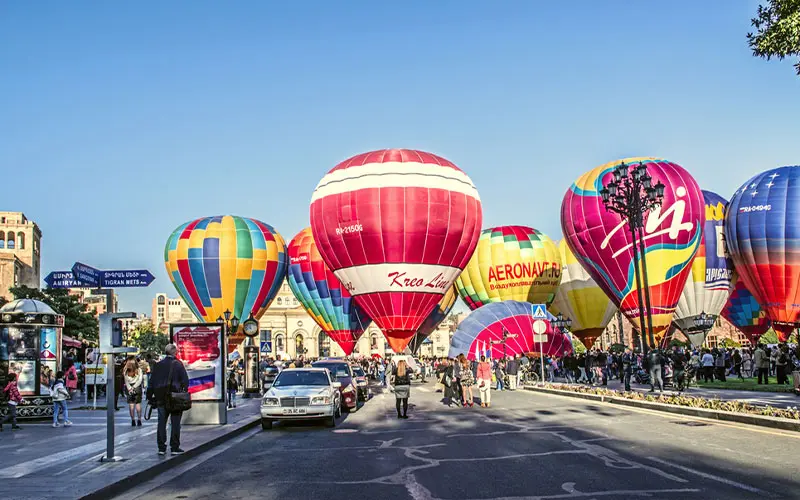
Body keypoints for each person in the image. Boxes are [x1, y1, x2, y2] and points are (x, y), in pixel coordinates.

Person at [147, 344, 190, 455]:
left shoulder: (158, 365)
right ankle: (174, 447)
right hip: (175, 398)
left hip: (161, 398)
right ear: (175, 352)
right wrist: (182, 391)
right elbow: (185, 381)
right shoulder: (178, 365)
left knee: (161, 422)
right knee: (175, 423)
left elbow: (151, 382)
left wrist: (150, 396)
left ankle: (161, 447)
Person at [124, 358, 144, 426]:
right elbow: (140, 380)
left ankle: (133, 420)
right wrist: (134, 387)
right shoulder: (139, 370)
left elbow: (126, 381)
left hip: (129, 388)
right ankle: (139, 420)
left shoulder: (126, 370)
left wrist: (130, 388)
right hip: (137, 387)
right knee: (138, 404)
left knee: (131, 405)